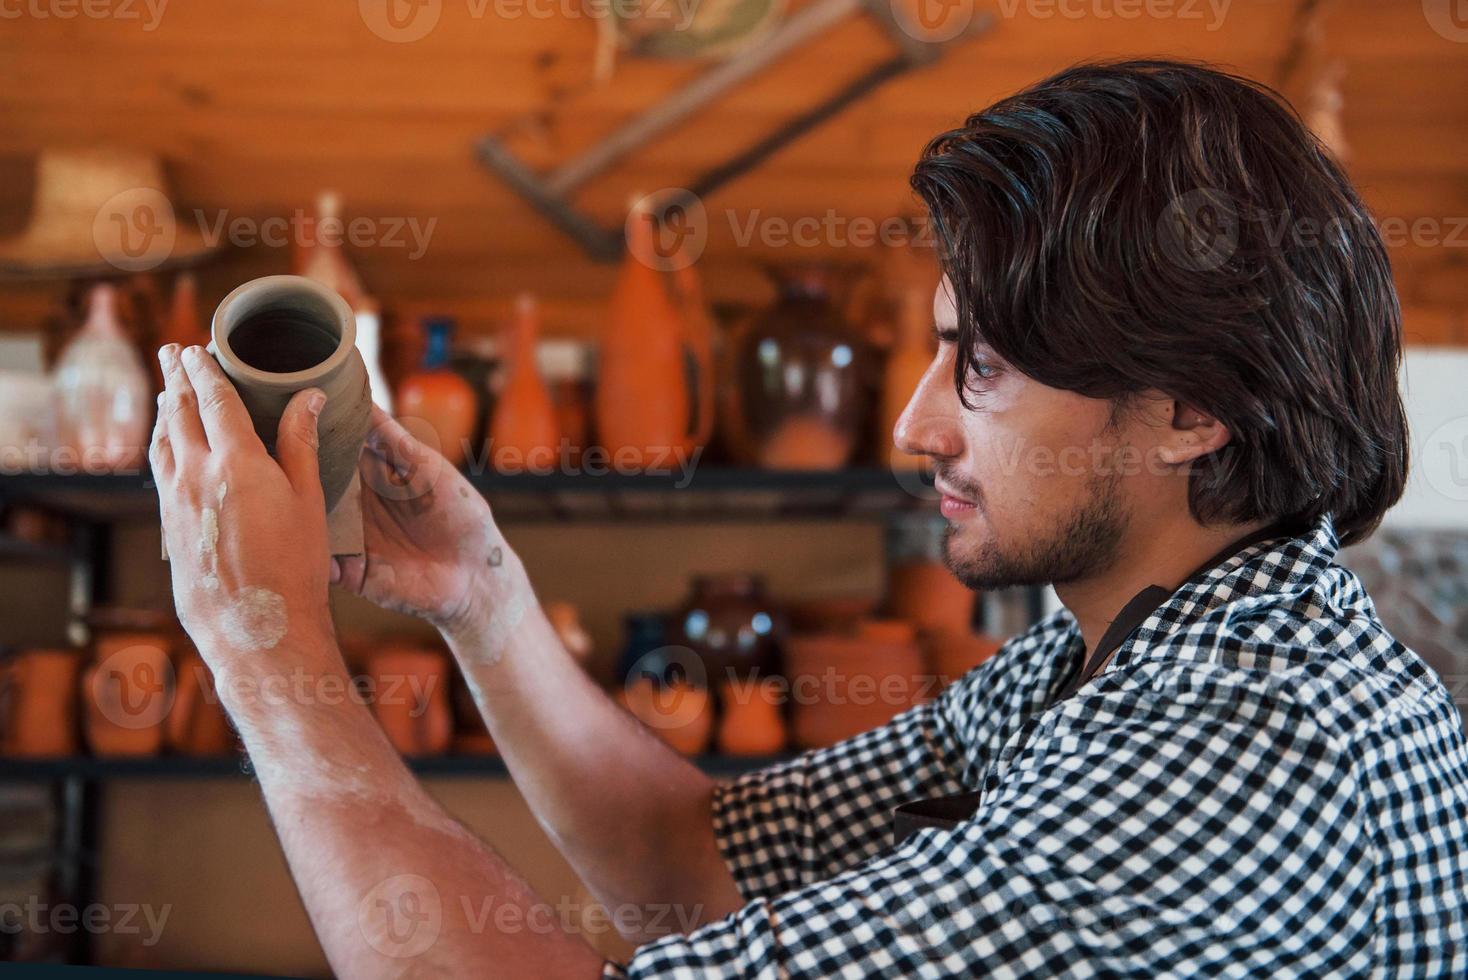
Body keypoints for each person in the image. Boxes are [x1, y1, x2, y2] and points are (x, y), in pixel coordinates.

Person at [151, 60, 1468, 977]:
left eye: (986, 369)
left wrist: (266, 650)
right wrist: (485, 598)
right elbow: (698, 865)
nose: (916, 426)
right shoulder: (1123, 658)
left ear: (1189, 412)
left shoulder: (1230, 750)